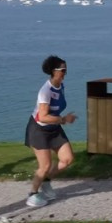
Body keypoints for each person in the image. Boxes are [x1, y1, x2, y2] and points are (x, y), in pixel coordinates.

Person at [24, 55, 76, 208]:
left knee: (67, 159)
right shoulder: (45, 91)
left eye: (66, 69)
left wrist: (61, 120)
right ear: (54, 71)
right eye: (63, 70)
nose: (65, 72)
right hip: (39, 130)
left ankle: (46, 182)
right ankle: (32, 194)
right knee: (45, 166)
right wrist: (64, 120)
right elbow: (43, 116)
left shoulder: (60, 85)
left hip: (54, 128)